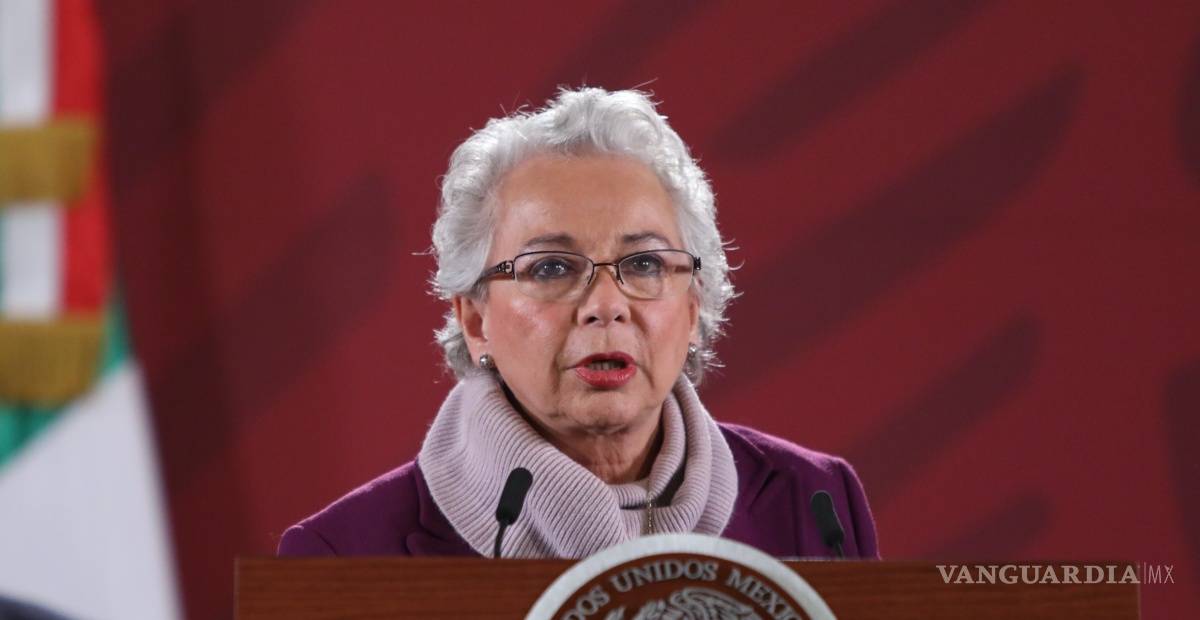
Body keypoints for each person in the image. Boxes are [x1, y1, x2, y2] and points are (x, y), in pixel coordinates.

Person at [278, 87, 878, 559]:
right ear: (475, 320)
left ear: (694, 308)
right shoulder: (340, 555)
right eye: (552, 268)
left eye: (645, 264)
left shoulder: (818, 504)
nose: (605, 304)